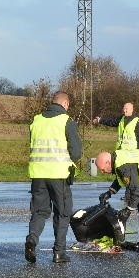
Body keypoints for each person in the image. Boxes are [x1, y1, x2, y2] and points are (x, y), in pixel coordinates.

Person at [25, 91, 82, 264]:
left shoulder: (36, 120)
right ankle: (59, 252)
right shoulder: (66, 121)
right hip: (59, 175)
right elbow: (77, 152)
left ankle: (32, 240)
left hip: (38, 174)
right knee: (63, 213)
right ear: (65, 104)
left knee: (39, 212)